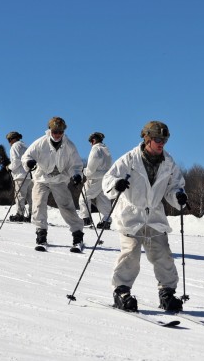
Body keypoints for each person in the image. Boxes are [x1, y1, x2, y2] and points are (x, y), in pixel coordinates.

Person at [102, 120, 188, 313]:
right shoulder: (129, 159)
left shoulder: (168, 162)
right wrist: (117, 185)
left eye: (164, 139)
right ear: (147, 138)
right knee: (131, 253)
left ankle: (167, 293)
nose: (161, 143)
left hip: (155, 215)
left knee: (163, 254)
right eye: (158, 139)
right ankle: (121, 291)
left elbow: (175, 186)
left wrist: (178, 196)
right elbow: (108, 179)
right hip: (130, 214)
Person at [21, 116, 85, 252]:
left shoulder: (69, 146)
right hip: (41, 178)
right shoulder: (40, 143)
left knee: (67, 207)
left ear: (63, 132)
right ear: (50, 130)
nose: (57, 135)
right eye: (55, 131)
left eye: (60, 132)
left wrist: (77, 175)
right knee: (38, 205)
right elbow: (26, 156)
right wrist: (29, 162)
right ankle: (41, 235)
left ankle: (78, 235)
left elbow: (76, 164)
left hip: (60, 179)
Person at [79, 132, 113, 229]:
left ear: (93, 140)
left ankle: (86, 218)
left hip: (95, 178)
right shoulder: (106, 150)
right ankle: (106, 220)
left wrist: (84, 172)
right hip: (106, 178)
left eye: (90, 141)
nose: (90, 144)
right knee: (103, 200)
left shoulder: (96, 149)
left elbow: (91, 168)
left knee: (84, 197)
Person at [6, 131, 33, 222]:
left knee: (20, 196)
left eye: (9, 140)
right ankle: (32, 215)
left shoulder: (15, 146)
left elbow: (16, 161)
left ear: (12, 139)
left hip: (20, 175)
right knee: (30, 197)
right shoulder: (25, 146)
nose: (9, 142)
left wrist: (9, 167)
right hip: (29, 175)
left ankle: (19, 214)